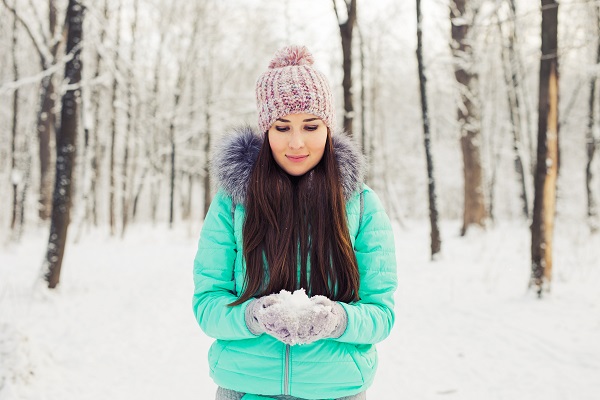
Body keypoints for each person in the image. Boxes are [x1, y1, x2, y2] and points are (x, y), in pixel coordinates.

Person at [192, 45, 397, 400]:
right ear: (265, 131)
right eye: (282, 127)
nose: (297, 142)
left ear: (329, 129)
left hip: (337, 391)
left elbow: (381, 314)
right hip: (246, 388)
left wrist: (338, 321)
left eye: (311, 126)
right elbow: (208, 304)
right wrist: (253, 316)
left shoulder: (363, 206)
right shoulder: (232, 205)